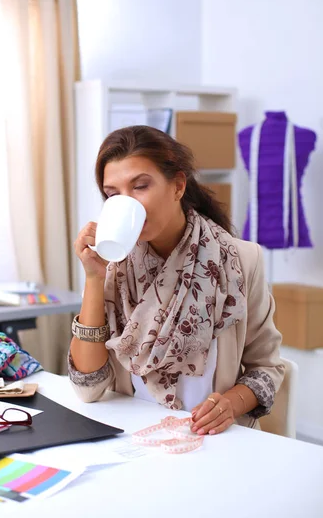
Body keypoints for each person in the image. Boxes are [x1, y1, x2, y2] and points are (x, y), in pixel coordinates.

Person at [69, 126, 284, 435]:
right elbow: (87, 388)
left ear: (178, 186)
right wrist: (93, 277)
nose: (128, 203)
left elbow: (267, 366)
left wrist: (230, 404)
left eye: (140, 186)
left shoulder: (239, 261)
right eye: (113, 194)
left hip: (213, 440)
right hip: (134, 437)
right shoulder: (113, 266)